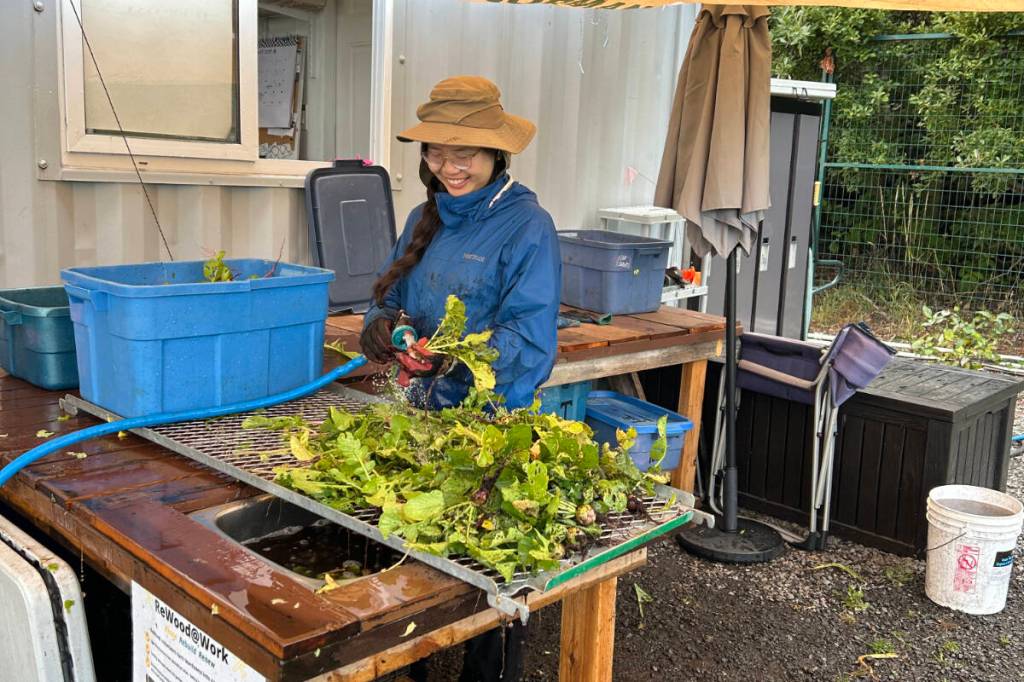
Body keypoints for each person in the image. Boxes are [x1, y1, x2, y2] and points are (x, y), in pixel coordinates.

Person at [359, 76, 560, 681]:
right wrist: (392, 334)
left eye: (464, 153)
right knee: (406, 574)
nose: (448, 166)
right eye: (435, 152)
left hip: (489, 434)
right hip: (414, 418)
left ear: (498, 153)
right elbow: (386, 300)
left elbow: (529, 343)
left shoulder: (527, 226)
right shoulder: (429, 216)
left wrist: (451, 358)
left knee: (490, 584)